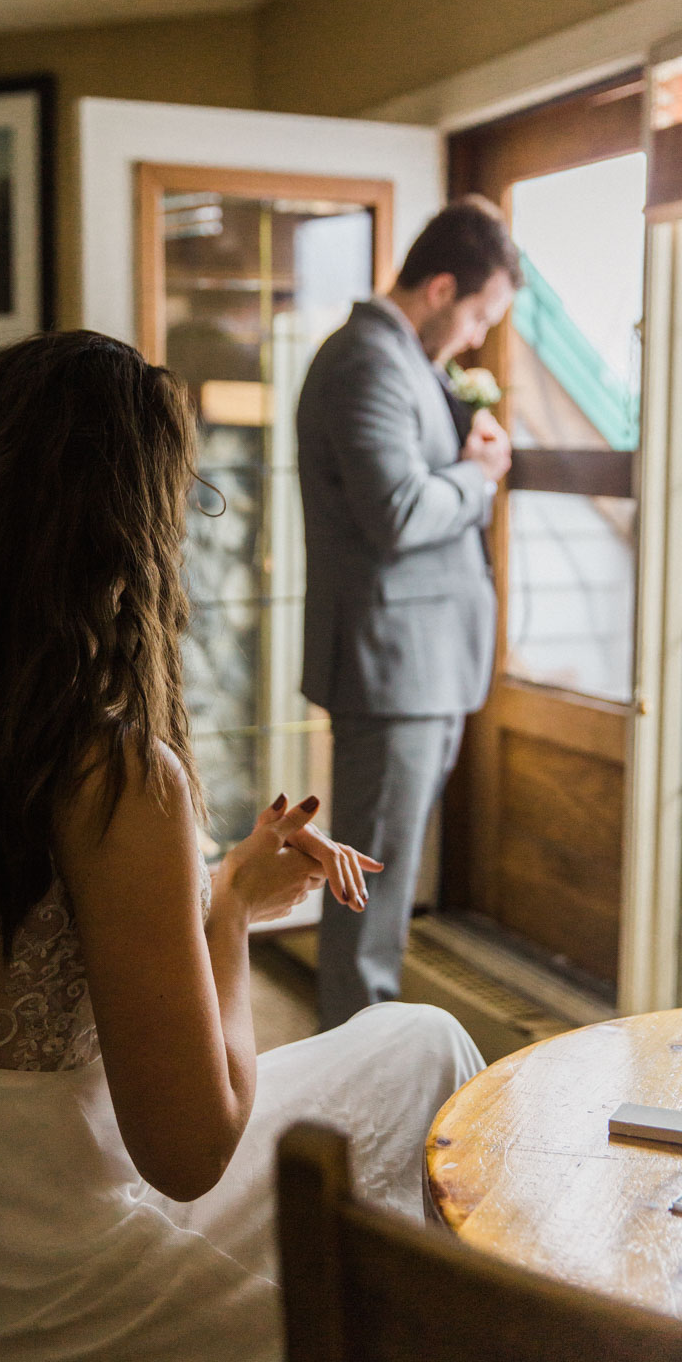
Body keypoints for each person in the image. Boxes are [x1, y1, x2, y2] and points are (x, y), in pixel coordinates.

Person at [0, 330, 483, 1362]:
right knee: (431, 1068)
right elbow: (187, 1155)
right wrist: (222, 914)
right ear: (124, 532)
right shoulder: (111, 777)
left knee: (422, 1043)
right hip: (44, 1293)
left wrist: (211, 893)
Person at [297, 197, 521, 1031]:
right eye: (477, 315)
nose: (474, 338)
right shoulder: (368, 361)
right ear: (438, 287)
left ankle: (364, 1066)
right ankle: (356, 1090)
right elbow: (394, 512)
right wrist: (479, 478)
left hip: (421, 667)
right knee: (370, 896)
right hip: (392, 670)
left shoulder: (407, 363)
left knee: (380, 890)